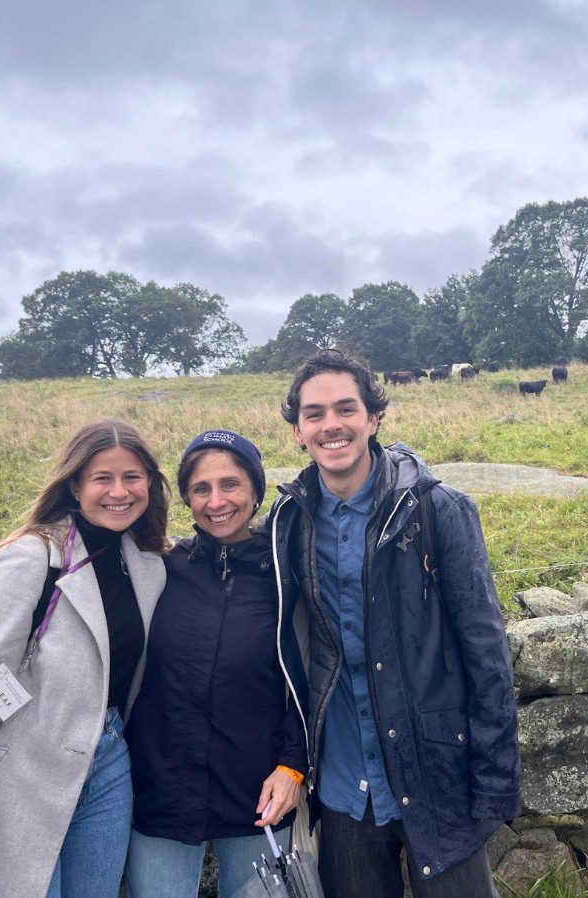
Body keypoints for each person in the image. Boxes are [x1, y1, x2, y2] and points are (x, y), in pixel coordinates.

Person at [268, 346, 522, 898]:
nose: (330, 425)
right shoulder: (289, 522)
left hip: (436, 772)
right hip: (343, 787)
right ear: (297, 431)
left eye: (345, 409)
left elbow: (486, 651)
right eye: (313, 414)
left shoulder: (437, 509)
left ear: (373, 418)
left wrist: (495, 784)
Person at [0, 419, 171, 898]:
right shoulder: (31, 559)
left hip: (110, 765)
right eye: (101, 478)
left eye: (132, 477)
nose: (119, 492)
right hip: (22, 770)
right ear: (73, 484)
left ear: (151, 483)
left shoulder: (148, 563)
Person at [125, 429, 309, 898]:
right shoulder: (161, 566)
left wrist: (293, 766)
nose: (216, 501)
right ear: (186, 499)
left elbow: (311, 674)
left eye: (230, 484)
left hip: (259, 789)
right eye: (201, 489)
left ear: (256, 490)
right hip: (161, 786)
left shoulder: (288, 573)